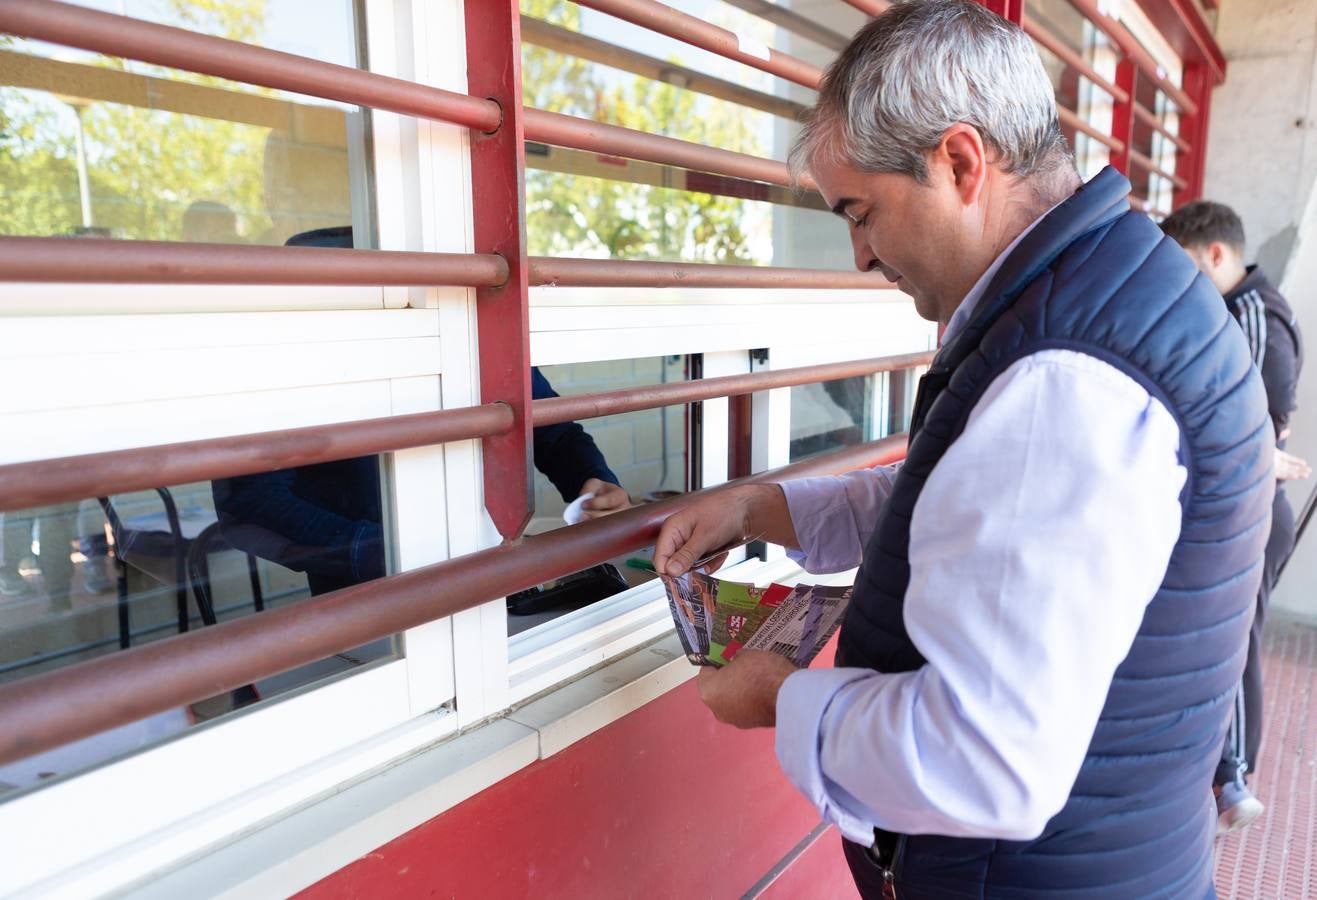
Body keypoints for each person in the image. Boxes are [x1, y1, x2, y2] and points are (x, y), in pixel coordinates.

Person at [652, 2, 1272, 897]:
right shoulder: (1103, 290)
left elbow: (984, 760)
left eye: (860, 212)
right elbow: (975, 501)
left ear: (958, 161)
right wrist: (767, 508)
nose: (860, 253)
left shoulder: (1068, 375)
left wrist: (782, 703)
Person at [213, 227, 628, 596]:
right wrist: (383, 552)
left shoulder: (467, 334)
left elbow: (551, 429)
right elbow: (252, 502)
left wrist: (591, 480)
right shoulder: (293, 366)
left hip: (489, 580)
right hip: (367, 605)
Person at [1160, 200, 1309, 833]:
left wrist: (1261, 452)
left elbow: (1238, 414)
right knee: (1223, 635)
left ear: (1216, 254)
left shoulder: (1245, 312)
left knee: (1234, 637)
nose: (1184, 282)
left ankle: (1233, 779)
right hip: (1248, 501)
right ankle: (1225, 777)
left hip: (1248, 508)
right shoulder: (1261, 307)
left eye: (1188, 265)